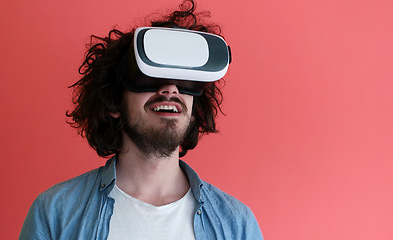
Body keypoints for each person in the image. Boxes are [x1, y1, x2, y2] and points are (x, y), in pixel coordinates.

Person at [19, 0, 262, 239]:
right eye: (150, 76)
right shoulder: (55, 213)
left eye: (184, 80)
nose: (170, 89)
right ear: (115, 102)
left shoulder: (237, 225)